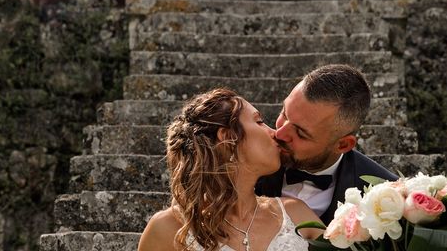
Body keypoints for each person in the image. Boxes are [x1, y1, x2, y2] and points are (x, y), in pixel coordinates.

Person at [138, 88, 323, 251]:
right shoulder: (166, 229)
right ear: (228, 137)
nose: (275, 133)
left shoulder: (297, 215)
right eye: (259, 121)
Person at [256, 64, 398, 225]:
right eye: (284, 113)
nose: (280, 133)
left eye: (301, 133)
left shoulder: (387, 198)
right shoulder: (244, 155)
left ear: (343, 145)